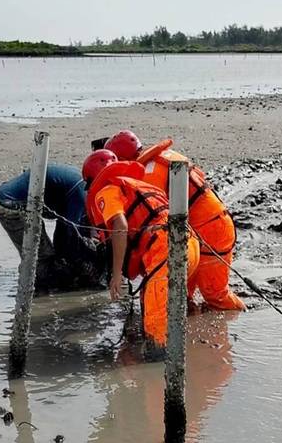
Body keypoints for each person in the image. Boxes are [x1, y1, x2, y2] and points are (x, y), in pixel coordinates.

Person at [104, 130, 245, 312]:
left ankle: (240, 314)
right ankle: (192, 328)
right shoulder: (167, 157)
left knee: (215, 295)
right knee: (180, 295)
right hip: (197, 229)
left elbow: (152, 215)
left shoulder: (148, 174)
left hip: (212, 229)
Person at [82, 149, 200, 349]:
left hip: (165, 251)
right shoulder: (138, 185)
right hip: (190, 243)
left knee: (156, 336)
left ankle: (155, 371)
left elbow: (120, 227)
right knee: (159, 309)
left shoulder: (106, 191)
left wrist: (117, 274)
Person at [0, 164, 106, 292]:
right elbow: (71, 232)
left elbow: (64, 232)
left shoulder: (79, 182)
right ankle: (37, 293)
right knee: (42, 257)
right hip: (12, 205)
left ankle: (40, 285)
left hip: (12, 198)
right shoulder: (81, 191)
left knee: (46, 255)